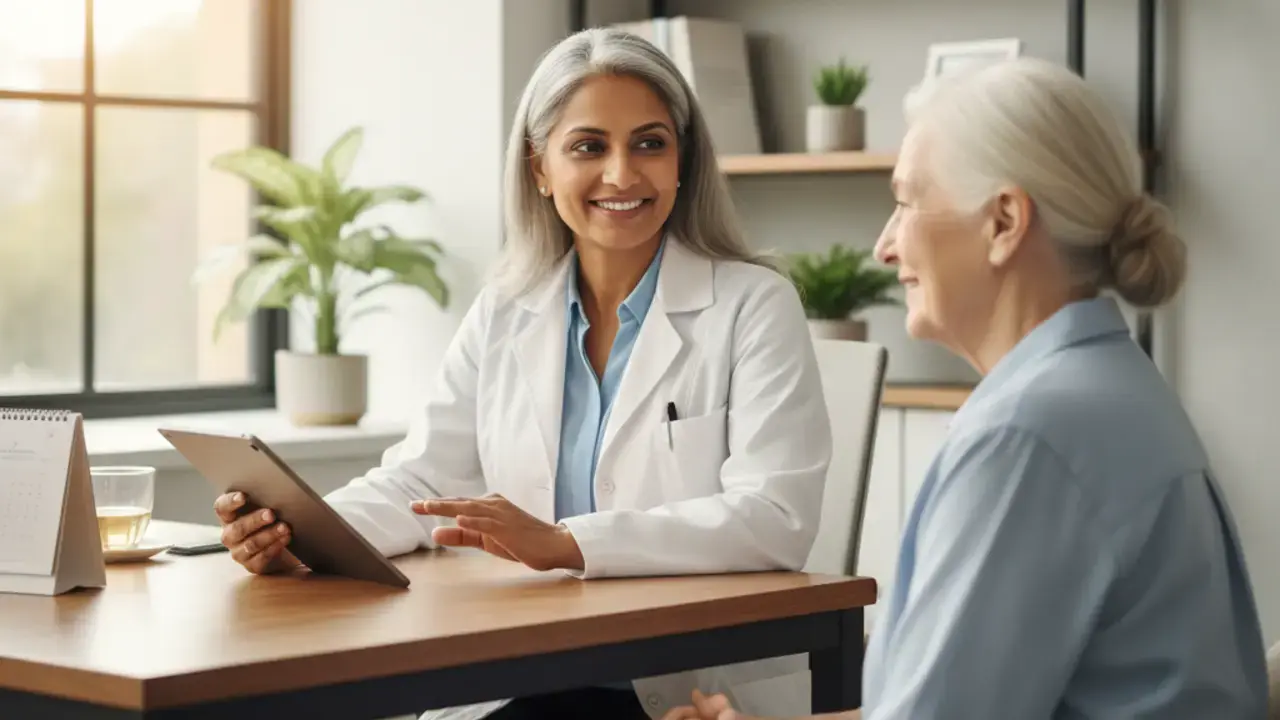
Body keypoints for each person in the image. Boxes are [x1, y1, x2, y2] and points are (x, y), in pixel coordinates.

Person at [209, 27, 833, 720]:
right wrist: (305, 536)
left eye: (650, 143)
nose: (623, 174)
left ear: (682, 160)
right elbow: (422, 482)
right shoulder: (505, 309)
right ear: (539, 168)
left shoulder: (753, 305)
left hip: (681, 689)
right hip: (516, 676)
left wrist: (566, 543)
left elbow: (775, 519)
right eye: (588, 147)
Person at [663, 57, 1269, 719]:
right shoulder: (1107, 390)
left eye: (906, 201)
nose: (884, 246)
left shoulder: (1029, 434)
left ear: (1004, 222)